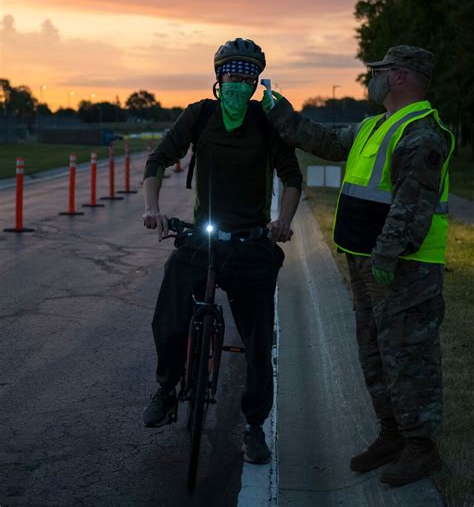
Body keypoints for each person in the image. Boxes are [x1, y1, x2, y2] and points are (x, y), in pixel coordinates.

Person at [261, 45, 454, 484]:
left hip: (403, 268)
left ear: (400, 76)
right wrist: (280, 112)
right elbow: (326, 142)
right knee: (375, 352)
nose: (374, 79)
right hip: (367, 262)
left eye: (381, 71)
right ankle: (392, 434)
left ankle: (421, 447)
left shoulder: (423, 132)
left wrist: (387, 255)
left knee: (409, 356)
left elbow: (412, 204)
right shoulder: (375, 126)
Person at [142, 38, 302, 464]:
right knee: (171, 312)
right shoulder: (200, 115)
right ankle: (168, 387)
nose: (237, 84)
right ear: (218, 77)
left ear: (254, 83)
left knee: (257, 339)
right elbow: (157, 161)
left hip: (251, 240)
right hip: (203, 238)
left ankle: (253, 427)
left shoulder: (265, 121)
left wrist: (282, 221)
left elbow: (291, 177)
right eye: (231, 75)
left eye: (246, 76)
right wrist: (152, 209)